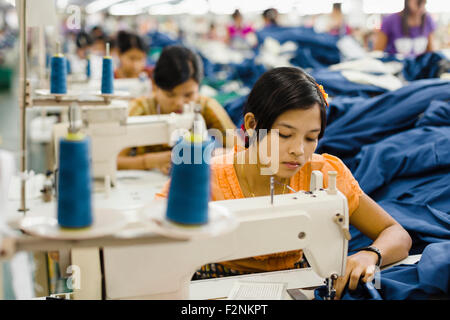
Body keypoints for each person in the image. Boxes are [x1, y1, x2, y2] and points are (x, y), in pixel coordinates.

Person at [156, 67, 412, 299]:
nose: (299, 151)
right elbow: (151, 249)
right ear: (252, 125)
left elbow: (396, 233)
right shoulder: (204, 180)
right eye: (285, 135)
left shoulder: (324, 172)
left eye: (311, 138)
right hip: (213, 288)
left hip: (296, 280)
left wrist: (371, 254)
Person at [117, 45, 236, 175]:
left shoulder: (207, 107)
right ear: (155, 86)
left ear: (199, 87)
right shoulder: (139, 110)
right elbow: (112, 160)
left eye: (188, 95)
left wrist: (211, 155)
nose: (179, 103)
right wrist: (149, 161)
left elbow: (242, 153)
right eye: (170, 94)